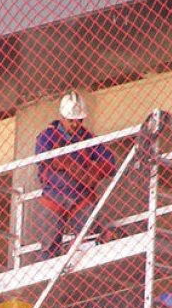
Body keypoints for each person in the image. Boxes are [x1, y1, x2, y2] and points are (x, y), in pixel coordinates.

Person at [33, 91, 117, 260]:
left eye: (78, 121)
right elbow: (43, 158)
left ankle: (86, 250)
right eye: (71, 121)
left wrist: (93, 173)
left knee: (90, 239)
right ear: (62, 117)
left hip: (80, 197)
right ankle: (51, 265)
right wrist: (75, 169)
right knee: (49, 248)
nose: (75, 125)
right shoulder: (48, 136)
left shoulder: (88, 139)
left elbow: (110, 162)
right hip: (54, 197)